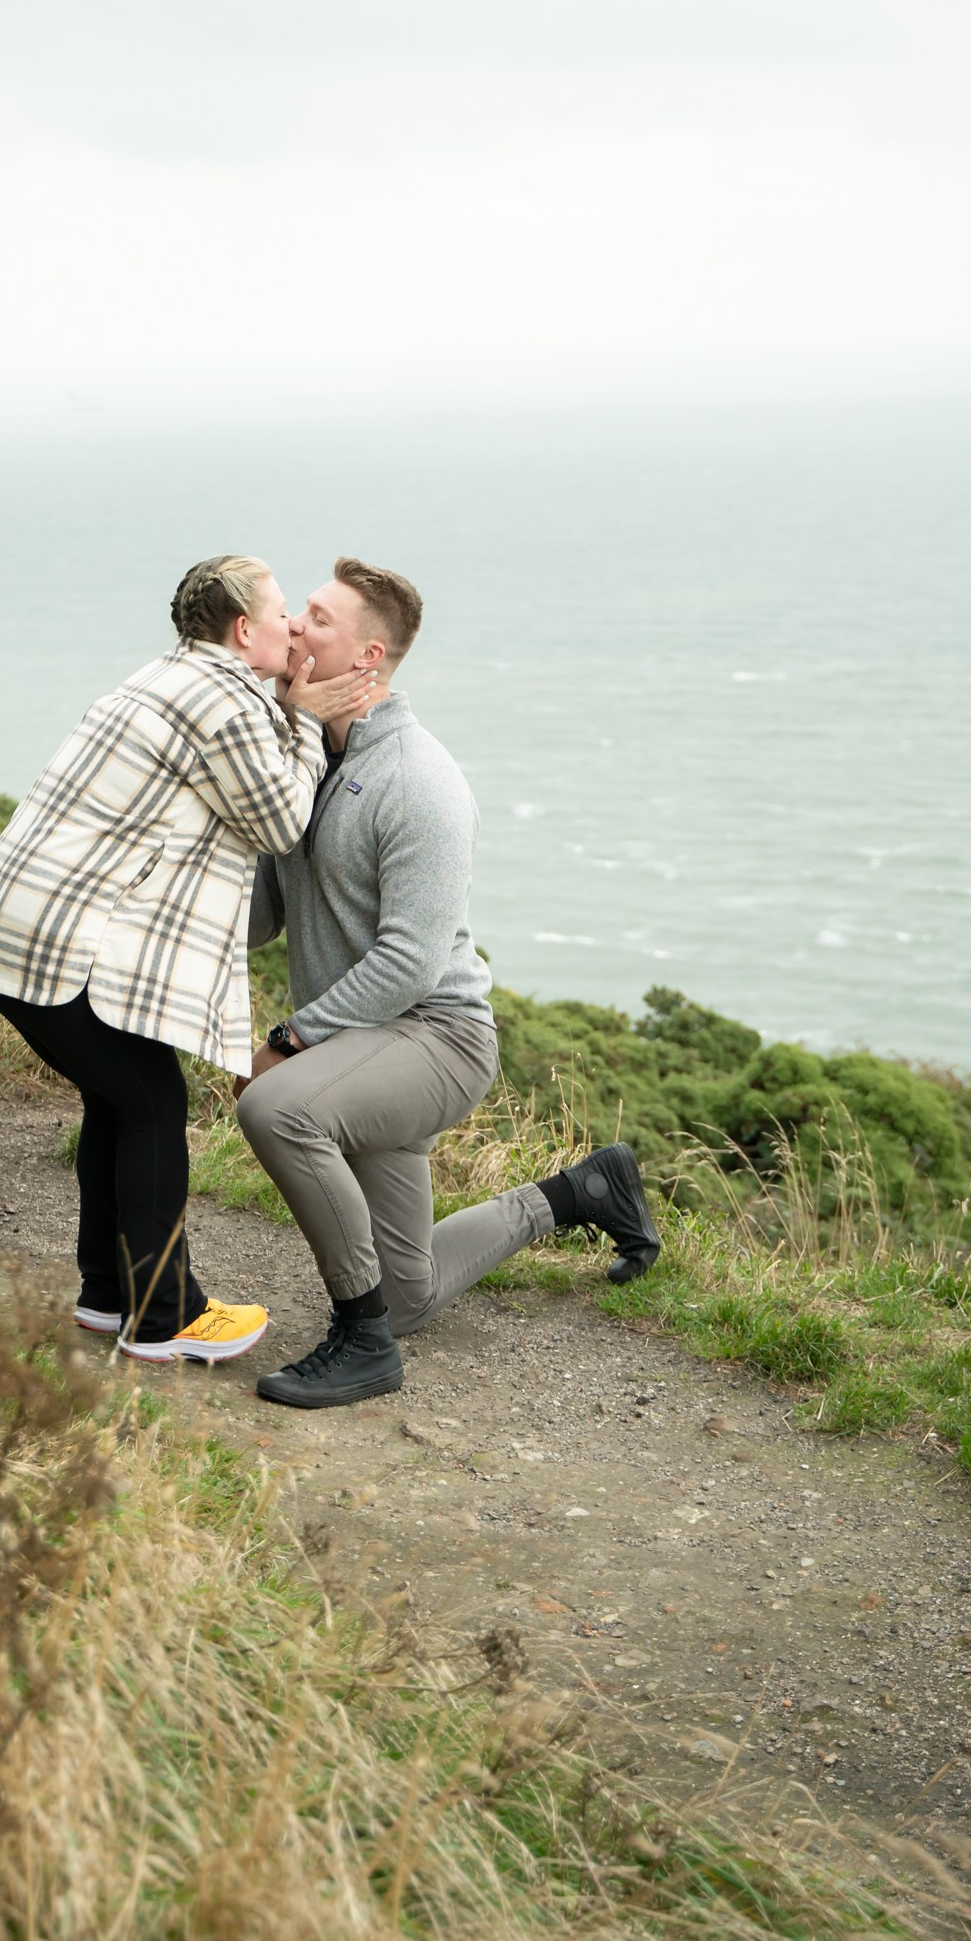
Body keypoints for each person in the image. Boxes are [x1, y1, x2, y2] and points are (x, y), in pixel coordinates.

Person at [236, 557, 661, 1410]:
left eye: (315, 619)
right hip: (362, 1044)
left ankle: (359, 1346)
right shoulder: (307, 760)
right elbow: (262, 917)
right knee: (409, 1297)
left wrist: (288, 1040)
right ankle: (582, 1191)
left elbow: (409, 963)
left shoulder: (419, 782)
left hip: (436, 1038)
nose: (291, 629)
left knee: (275, 1108)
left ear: (368, 658)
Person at [0, 554, 377, 1364]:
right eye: (284, 613)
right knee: (149, 1104)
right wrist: (304, 719)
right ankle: (164, 1318)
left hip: (16, 927)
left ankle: (110, 1297)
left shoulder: (170, 677)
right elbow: (283, 821)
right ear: (244, 630)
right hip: (54, 940)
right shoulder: (226, 702)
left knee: (121, 1099)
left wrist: (283, 709)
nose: (294, 627)